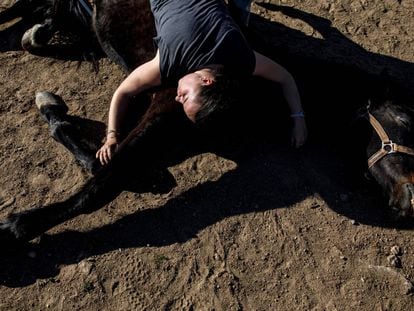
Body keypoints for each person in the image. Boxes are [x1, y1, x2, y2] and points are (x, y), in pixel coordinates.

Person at [96, 0, 308, 165]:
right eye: (185, 96)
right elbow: (122, 92)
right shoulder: (169, 60)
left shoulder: (240, 56)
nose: (178, 97)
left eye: (181, 99)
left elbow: (285, 78)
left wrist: (299, 118)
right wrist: (112, 136)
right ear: (207, 81)